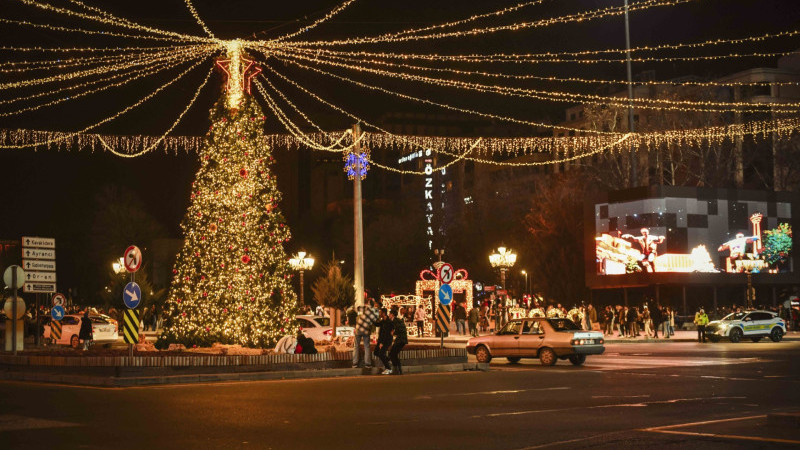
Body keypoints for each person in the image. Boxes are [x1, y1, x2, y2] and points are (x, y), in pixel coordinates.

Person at [352, 300, 379, 368]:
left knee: (356, 346)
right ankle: (367, 363)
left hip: (359, 328)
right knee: (367, 346)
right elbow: (375, 322)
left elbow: (357, 308)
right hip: (366, 330)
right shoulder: (375, 312)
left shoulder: (366, 308)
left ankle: (355, 363)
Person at [388, 308, 408, 375]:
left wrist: (393, 333)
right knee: (394, 354)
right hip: (401, 339)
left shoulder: (395, 321)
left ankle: (396, 370)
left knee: (392, 354)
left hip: (401, 339)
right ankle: (398, 370)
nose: (389, 315)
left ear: (392, 315)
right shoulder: (397, 320)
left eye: (389, 314)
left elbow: (398, 330)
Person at [375, 308, 394, 374]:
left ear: (383, 313)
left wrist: (382, 343)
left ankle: (388, 368)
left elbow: (386, 334)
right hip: (381, 340)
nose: (379, 314)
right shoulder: (383, 321)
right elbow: (377, 324)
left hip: (386, 340)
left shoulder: (388, 322)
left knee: (381, 354)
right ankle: (388, 360)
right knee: (376, 352)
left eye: (380, 312)